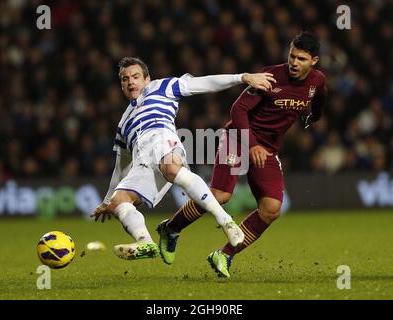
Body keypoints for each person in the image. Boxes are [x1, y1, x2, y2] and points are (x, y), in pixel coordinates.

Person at [157, 31, 327, 277]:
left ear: (314, 61)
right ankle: (171, 229)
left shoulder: (317, 81)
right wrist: (252, 144)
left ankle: (224, 255)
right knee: (221, 195)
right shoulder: (271, 76)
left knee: (271, 209)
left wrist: (314, 116)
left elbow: (319, 98)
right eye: (292, 56)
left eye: (301, 59)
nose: (293, 63)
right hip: (238, 137)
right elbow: (238, 110)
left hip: (268, 149)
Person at [91, 57, 276, 260]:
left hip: (161, 137)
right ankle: (145, 241)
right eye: (125, 79)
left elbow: (204, 83)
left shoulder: (161, 87)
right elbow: (122, 165)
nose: (130, 82)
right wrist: (108, 199)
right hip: (142, 160)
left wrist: (242, 77)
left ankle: (226, 222)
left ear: (147, 79)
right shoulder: (123, 123)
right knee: (120, 202)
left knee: (171, 168)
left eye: (135, 77)